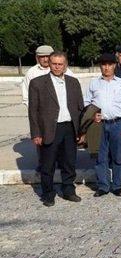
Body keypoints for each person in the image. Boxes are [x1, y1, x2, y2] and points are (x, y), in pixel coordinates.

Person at [28, 51, 84, 206]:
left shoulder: (73, 82)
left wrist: (81, 131)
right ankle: (48, 194)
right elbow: (33, 111)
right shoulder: (37, 83)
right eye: (54, 63)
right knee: (48, 164)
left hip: (69, 128)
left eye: (60, 64)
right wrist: (36, 133)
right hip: (49, 128)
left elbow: (80, 108)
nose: (57, 67)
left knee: (69, 162)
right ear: (49, 64)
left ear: (65, 65)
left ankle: (68, 190)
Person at [85, 53, 121, 197]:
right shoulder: (94, 83)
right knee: (100, 157)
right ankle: (103, 186)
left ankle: (117, 186)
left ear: (114, 65)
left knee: (117, 157)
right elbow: (86, 102)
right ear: (100, 66)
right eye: (104, 65)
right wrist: (92, 114)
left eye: (110, 65)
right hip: (98, 125)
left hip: (117, 123)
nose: (106, 68)